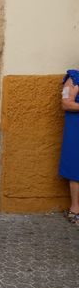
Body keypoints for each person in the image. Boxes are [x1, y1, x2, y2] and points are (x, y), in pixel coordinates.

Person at [60, 69, 79, 225]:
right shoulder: (74, 78)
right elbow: (66, 103)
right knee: (76, 166)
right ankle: (75, 210)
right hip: (76, 129)